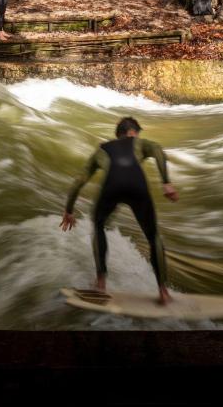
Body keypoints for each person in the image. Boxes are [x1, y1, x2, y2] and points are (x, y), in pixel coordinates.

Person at [60, 117, 179, 306]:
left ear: (118, 134)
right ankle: (163, 292)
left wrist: (69, 210)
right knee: (153, 236)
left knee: (98, 225)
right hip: (137, 186)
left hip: (111, 188)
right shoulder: (139, 142)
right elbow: (157, 150)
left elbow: (79, 181)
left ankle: (100, 284)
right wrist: (166, 182)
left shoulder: (101, 150)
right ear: (133, 132)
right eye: (137, 133)